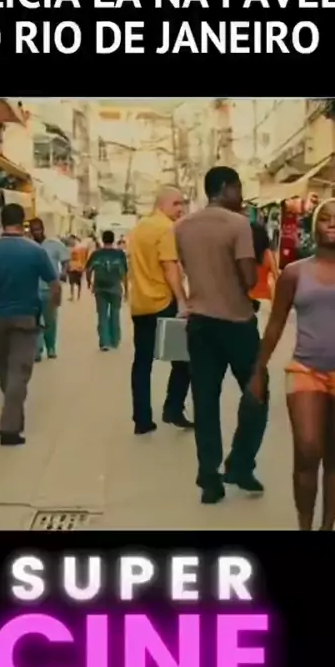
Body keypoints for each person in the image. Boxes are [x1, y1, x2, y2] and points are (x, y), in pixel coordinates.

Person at [249, 198, 335, 531]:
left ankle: (326, 527)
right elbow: (275, 323)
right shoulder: (294, 273)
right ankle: (304, 526)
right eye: (325, 218)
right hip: (306, 370)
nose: (332, 224)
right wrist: (259, 369)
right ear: (314, 227)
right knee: (307, 449)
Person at [176, 166, 267, 504]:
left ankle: (209, 478)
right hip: (237, 322)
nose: (240, 196)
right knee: (258, 391)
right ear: (227, 187)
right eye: (238, 188)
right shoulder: (238, 224)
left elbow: (189, 268)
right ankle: (240, 463)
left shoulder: (182, 226)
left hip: (200, 324)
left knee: (205, 401)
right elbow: (249, 278)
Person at [0, 203, 61, 447]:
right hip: (25, 318)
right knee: (19, 373)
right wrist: (51, 309)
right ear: (23, 222)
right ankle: (9, 429)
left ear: (2, 221)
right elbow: (55, 285)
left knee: (5, 371)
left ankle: (14, 417)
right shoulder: (35, 252)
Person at [128, 187, 192, 435]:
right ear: (162, 204)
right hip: (163, 302)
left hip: (140, 304)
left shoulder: (139, 228)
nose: (180, 209)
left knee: (142, 363)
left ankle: (142, 419)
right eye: (176, 203)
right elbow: (169, 268)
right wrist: (183, 302)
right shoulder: (166, 228)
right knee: (185, 359)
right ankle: (173, 408)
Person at [28, 217, 70, 360]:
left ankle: (51, 346)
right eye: (33, 230)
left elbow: (65, 260)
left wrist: (63, 272)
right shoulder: (28, 246)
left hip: (50, 289)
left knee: (50, 320)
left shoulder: (54, 244)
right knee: (34, 320)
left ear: (43, 229)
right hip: (32, 289)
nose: (36, 233)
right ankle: (37, 350)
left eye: (38, 230)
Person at [86, 230, 128, 351]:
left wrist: (89, 283)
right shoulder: (119, 254)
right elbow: (124, 273)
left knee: (102, 315)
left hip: (100, 288)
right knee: (115, 313)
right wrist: (126, 290)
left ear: (103, 240)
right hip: (115, 288)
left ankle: (104, 341)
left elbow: (88, 269)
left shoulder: (96, 254)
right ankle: (114, 341)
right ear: (113, 240)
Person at [249, 222, 280, 312]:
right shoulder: (267, 254)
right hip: (265, 299)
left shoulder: (245, 253)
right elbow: (276, 277)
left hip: (247, 299)